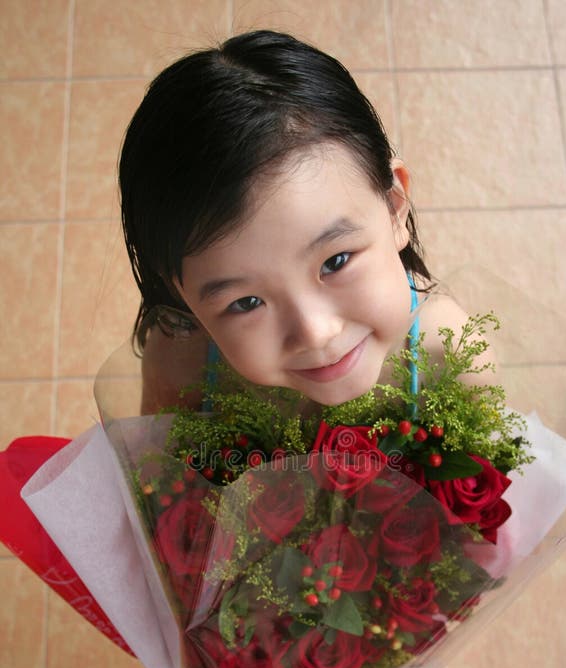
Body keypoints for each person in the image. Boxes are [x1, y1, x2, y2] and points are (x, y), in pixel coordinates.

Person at [118, 29, 493, 415]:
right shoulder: (182, 362)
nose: (315, 333)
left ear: (394, 205)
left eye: (337, 261)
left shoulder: (451, 352)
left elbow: (494, 470)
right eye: (246, 303)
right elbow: (156, 470)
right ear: (182, 295)